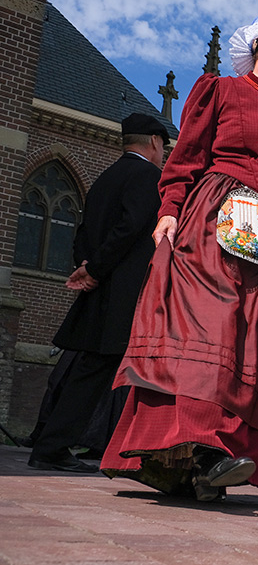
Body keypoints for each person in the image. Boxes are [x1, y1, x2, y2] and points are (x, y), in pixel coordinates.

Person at [100, 8, 258, 501]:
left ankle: (203, 469)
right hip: (217, 219)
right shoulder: (219, 91)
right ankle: (200, 446)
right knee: (211, 324)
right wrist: (169, 210)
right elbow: (185, 160)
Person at [27, 114, 167, 473]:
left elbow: (84, 230)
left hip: (100, 291)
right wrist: (95, 270)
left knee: (88, 374)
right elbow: (130, 228)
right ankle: (55, 447)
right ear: (153, 141)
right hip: (122, 296)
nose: (163, 154)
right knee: (107, 376)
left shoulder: (106, 177)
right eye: (163, 147)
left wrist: (86, 267)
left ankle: (54, 445)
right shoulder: (149, 177)